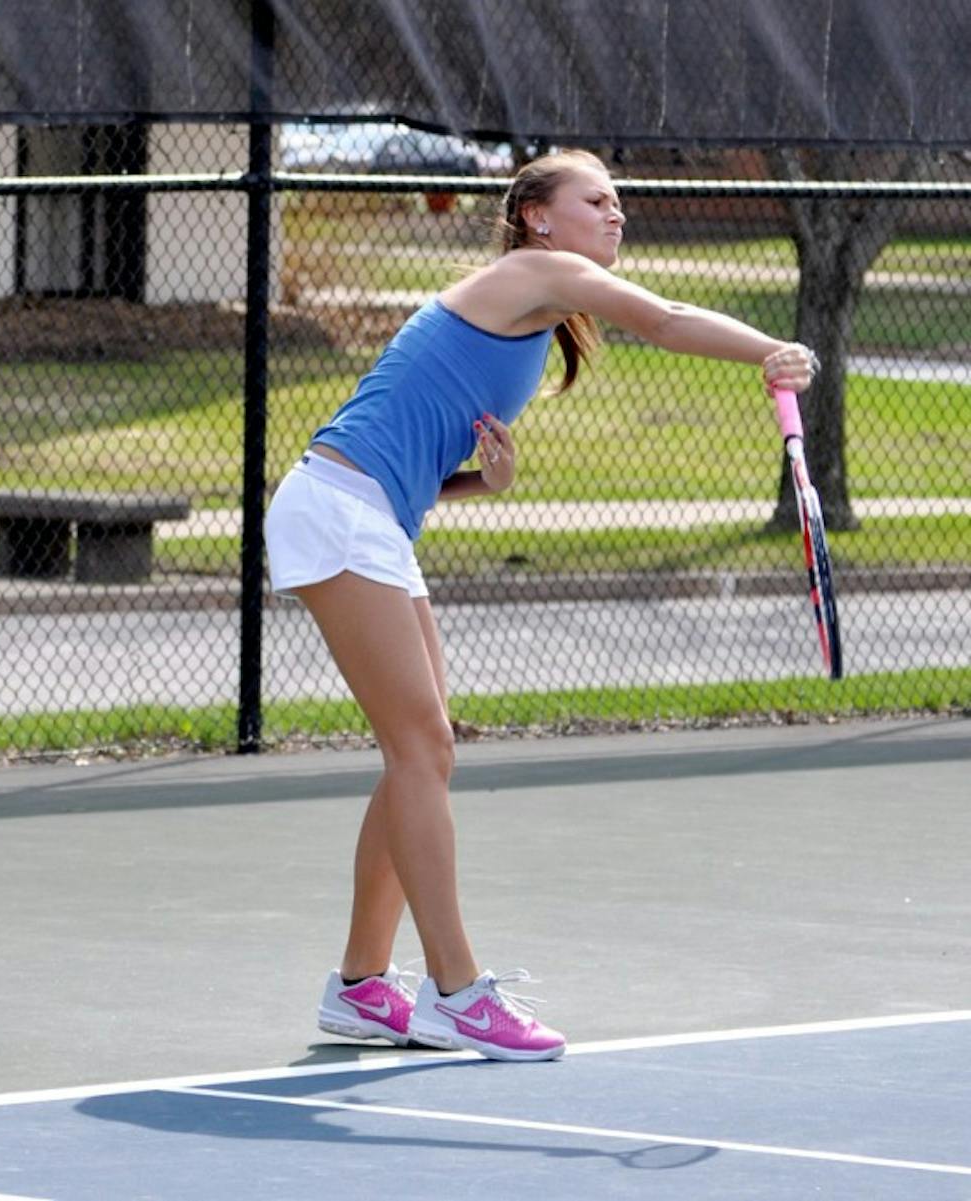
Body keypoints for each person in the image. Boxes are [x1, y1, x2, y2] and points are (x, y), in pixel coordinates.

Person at [264, 149, 816, 1063]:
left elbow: (410, 462)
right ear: (537, 218)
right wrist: (772, 351)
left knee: (422, 754)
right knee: (423, 748)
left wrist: (486, 480)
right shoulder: (535, 273)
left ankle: (363, 986)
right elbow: (668, 320)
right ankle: (456, 992)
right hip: (336, 509)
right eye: (595, 200)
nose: (616, 213)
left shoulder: (540, 308)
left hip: (372, 516)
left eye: (619, 200)